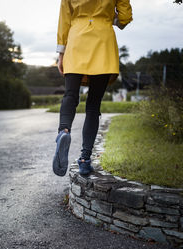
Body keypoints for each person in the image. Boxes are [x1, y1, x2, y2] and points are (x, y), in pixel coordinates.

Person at [53, 0, 132, 177]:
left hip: (76, 41)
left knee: (70, 95)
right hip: (103, 42)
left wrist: (61, 53)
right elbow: (125, 18)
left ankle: (63, 131)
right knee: (93, 105)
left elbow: (64, 19)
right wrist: (108, 18)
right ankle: (84, 159)